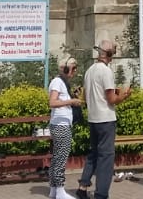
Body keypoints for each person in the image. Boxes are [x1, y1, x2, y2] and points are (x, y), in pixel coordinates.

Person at [76, 39, 131, 199]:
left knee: (94, 153)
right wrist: (124, 96)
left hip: (93, 118)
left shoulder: (89, 70)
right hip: (105, 118)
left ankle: (83, 186)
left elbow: (86, 95)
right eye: (113, 51)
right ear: (108, 54)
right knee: (106, 157)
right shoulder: (106, 72)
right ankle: (101, 193)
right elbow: (111, 99)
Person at [47, 56, 84, 199]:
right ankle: (60, 190)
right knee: (61, 158)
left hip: (60, 123)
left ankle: (53, 188)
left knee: (57, 158)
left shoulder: (62, 82)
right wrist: (72, 101)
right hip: (60, 125)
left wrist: (72, 97)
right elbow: (53, 102)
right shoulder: (57, 82)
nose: (74, 72)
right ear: (65, 68)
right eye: (73, 68)